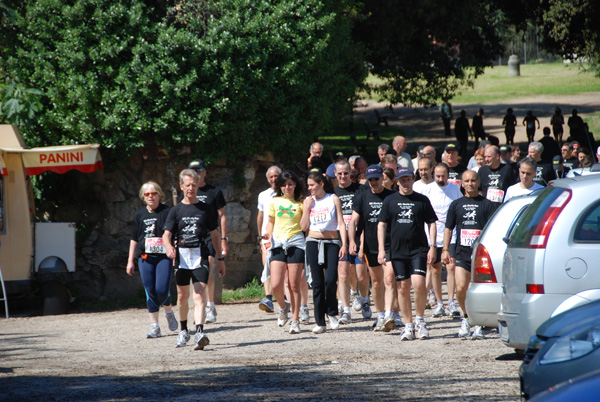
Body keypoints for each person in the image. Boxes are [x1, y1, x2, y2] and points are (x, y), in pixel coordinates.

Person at [163, 169, 225, 350]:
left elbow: (215, 234)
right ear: (181, 186)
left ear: (198, 185)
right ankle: (183, 331)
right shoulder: (175, 211)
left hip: (201, 256)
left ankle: (199, 332)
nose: (191, 188)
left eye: (194, 185)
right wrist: (168, 247)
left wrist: (220, 258)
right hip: (181, 257)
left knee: (199, 293)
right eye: (187, 185)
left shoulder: (206, 209)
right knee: (182, 296)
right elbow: (166, 235)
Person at [377, 167, 438, 340]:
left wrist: (433, 246)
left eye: (408, 179)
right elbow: (381, 225)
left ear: (413, 180)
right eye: (402, 180)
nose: (405, 183)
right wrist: (382, 249)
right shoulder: (390, 200)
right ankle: (408, 325)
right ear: (397, 181)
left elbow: (431, 223)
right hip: (397, 251)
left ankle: (420, 321)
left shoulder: (422, 200)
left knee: (419, 284)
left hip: (418, 249)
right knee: (402, 288)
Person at [443, 170, 497, 339]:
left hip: (480, 257)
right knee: (460, 288)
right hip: (462, 254)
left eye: (473, 180)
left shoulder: (487, 204)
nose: (470, 183)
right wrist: (445, 249)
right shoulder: (456, 205)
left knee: (478, 290)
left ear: (478, 182)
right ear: (461, 183)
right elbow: (448, 228)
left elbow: (493, 230)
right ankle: (467, 318)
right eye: (467, 180)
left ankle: (479, 323)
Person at [126, 181, 178, 339]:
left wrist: (174, 253)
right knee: (150, 290)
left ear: (159, 195)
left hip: (163, 257)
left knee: (162, 289)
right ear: (143, 196)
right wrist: (130, 261)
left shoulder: (167, 212)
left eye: (153, 193)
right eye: (147, 194)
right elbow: (134, 238)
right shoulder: (140, 214)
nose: (150, 196)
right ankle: (154, 326)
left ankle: (168, 311)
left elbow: (174, 235)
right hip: (145, 258)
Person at [348, 165, 395, 330]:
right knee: (376, 282)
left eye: (376, 178)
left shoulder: (391, 196)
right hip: (371, 245)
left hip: (390, 245)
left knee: (389, 279)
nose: (374, 182)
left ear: (382, 178)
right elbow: (353, 221)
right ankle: (381, 315)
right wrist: (353, 241)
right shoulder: (362, 196)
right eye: (371, 179)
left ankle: (391, 314)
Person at [300, 171, 347, 334]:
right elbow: (303, 227)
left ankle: (332, 313)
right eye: (308, 185)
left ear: (321, 184)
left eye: (312, 185)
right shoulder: (308, 201)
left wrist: (344, 243)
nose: (309, 188)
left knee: (330, 279)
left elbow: (341, 222)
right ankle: (320, 321)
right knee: (317, 283)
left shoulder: (332, 199)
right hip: (313, 242)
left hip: (332, 242)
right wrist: (307, 208)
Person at [263, 170, 306, 331]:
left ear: (295, 185)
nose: (287, 187)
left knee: (294, 284)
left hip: (296, 243)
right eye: (284, 184)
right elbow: (270, 221)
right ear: (279, 186)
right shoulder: (274, 202)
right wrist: (268, 232)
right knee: (275, 284)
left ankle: (295, 320)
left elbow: (304, 226)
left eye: (290, 184)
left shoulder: (301, 203)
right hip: (278, 243)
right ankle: (283, 308)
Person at [186, 159, 227, 325]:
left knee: (208, 269)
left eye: (199, 170)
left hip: (210, 236)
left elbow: (222, 216)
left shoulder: (214, 192)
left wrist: (224, 239)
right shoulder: (186, 192)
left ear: (205, 172)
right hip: (192, 237)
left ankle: (210, 305)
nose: (197, 174)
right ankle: (200, 306)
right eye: (193, 171)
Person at [421, 164, 462, 319]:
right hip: (433, 235)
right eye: (437, 176)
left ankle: (451, 301)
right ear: (433, 173)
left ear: (447, 175)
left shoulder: (454, 189)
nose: (440, 179)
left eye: (443, 176)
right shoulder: (428, 190)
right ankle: (439, 302)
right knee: (435, 269)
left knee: (450, 266)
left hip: (451, 233)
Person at [334, 160, 370, 321]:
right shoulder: (333, 193)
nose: (343, 176)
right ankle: (346, 310)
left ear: (350, 173)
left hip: (358, 236)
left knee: (361, 275)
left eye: (346, 173)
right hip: (340, 238)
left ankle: (365, 300)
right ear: (335, 174)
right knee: (342, 274)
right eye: (340, 173)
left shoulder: (360, 189)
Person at [256, 166, 282, 314]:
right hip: (267, 236)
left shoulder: (286, 193)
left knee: (281, 268)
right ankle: (268, 298)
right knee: (267, 266)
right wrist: (260, 235)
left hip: (282, 235)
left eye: (276, 176)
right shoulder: (263, 195)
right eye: (271, 177)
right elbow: (260, 215)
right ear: (267, 179)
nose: (274, 179)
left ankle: (284, 298)